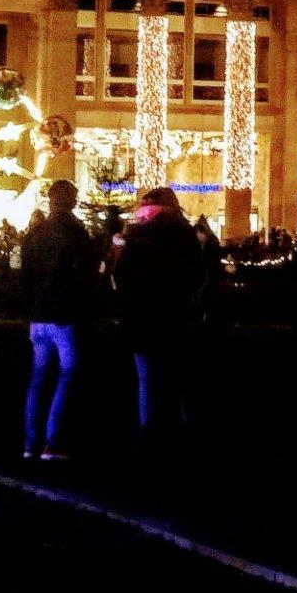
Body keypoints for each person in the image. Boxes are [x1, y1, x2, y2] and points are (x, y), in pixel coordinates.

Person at [113, 186, 205, 451]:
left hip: (142, 315)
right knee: (178, 373)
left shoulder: (136, 237)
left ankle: (148, 430)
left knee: (147, 378)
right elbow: (197, 274)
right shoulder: (183, 235)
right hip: (174, 313)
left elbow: (123, 276)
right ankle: (183, 422)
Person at [19, 179, 96, 461]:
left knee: (38, 378)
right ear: (69, 200)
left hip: (40, 313)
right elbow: (85, 273)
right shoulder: (74, 232)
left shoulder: (36, 233)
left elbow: (26, 274)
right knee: (69, 373)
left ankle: (30, 442)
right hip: (65, 313)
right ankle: (53, 441)